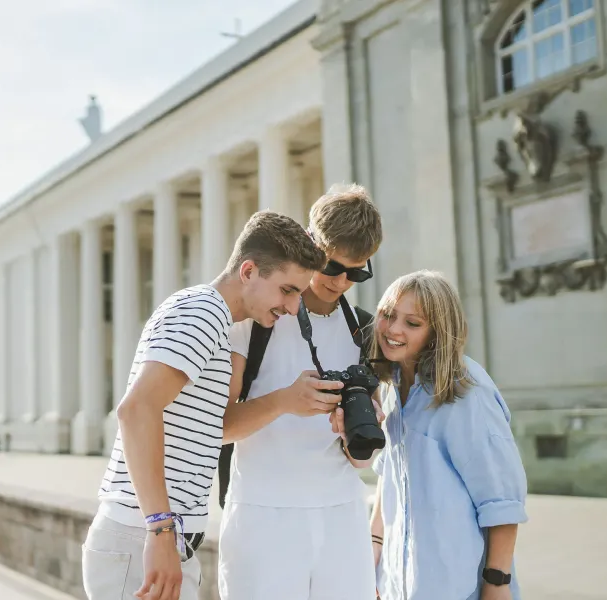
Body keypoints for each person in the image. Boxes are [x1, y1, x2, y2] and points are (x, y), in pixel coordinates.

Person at [83, 211, 327, 600]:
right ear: (248, 271)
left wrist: (285, 401)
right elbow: (136, 410)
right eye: (287, 290)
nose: (294, 306)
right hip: (142, 537)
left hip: (161, 538)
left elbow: (217, 426)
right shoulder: (203, 313)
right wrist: (160, 528)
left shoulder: (217, 321)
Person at [218, 183, 385, 599]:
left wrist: (361, 432)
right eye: (332, 267)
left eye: (357, 272)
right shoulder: (254, 318)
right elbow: (218, 427)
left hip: (343, 514)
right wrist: (284, 402)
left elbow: (361, 458)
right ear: (312, 245)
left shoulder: (364, 330)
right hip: (263, 515)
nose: (343, 281)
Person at [345, 270, 528, 600]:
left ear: (436, 333)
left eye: (412, 323)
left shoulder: (467, 391)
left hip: (459, 590)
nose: (393, 329)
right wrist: (373, 553)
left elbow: (501, 500)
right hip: (400, 587)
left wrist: (497, 584)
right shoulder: (390, 388)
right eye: (388, 315)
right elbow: (390, 480)